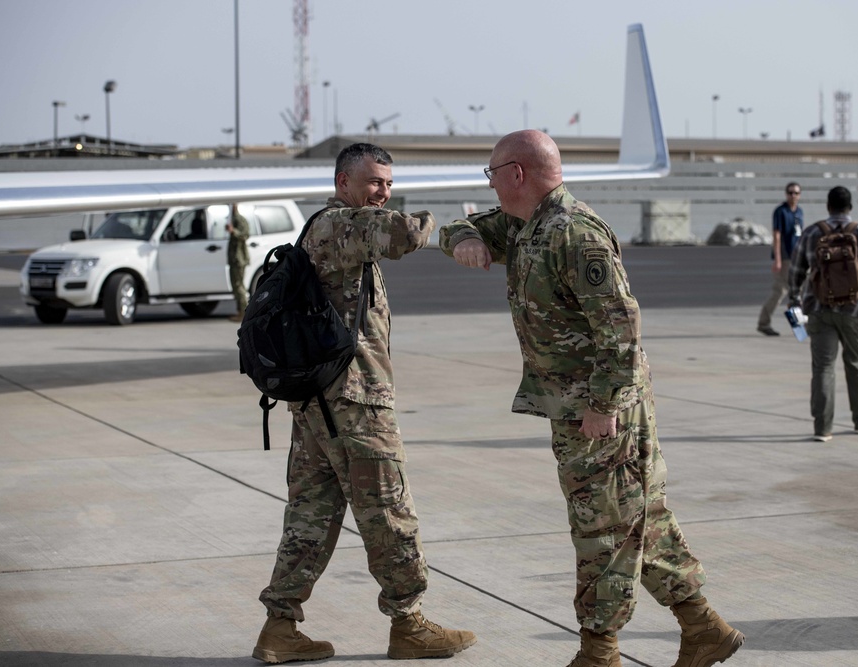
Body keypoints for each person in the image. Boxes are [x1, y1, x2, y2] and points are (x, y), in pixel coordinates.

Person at [439, 130, 743, 667]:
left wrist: (603, 406)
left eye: (491, 173)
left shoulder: (573, 233)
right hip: (576, 405)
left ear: (517, 174)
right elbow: (460, 226)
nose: (489, 183)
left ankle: (598, 651)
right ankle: (703, 628)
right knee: (636, 518)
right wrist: (465, 237)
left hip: (599, 409)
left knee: (600, 525)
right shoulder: (524, 225)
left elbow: (622, 329)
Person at [252, 143, 476, 663]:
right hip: (354, 403)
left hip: (318, 404)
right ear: (342, 182)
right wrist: (460, 228)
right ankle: (409, 623)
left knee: (311, 515)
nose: (384, 193)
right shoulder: (340, 225)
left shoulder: (329, 229)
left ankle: (279, 627)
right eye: (375, 182)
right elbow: (404, 234)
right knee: (389, 512)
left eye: (390, 185)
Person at [788, 185, 858, 442]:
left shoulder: (813, 232)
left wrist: (795, 301)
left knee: (823, 367)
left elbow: (796, 271)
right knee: (857, 365)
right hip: (853, 310)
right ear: (850, 207)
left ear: (828, 206)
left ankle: (823, 428)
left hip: (819, 311)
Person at [757, 182, 803, 336]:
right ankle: (764, 323)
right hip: (785, 258)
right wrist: (777, 259)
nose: (793, 196)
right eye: (790, 193)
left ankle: (798, 326)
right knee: (780, 291)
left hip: (797, 258)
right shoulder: (780, 211)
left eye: (796, 193)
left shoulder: (799, 212)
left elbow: (799, 235)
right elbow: (777, 236)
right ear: (786, 194)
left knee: (796, 292)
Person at [227, 203, 250, 322]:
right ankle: (239, 311)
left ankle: (244, 312)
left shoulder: (240, 220)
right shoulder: (233, 219)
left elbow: (245, 235)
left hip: (239, 259)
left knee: (239, 286)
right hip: (234, 259)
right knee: (235, 286)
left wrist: (233, 231)